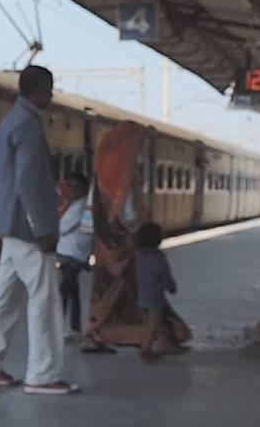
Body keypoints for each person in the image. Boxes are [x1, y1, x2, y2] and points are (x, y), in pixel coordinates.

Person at [0, 65, 78, 395]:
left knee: (4, 299)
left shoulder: (9, 122)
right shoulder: (29, 126)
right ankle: (43, 374)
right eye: (50, 90)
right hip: (28, 229)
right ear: (39, 90)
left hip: (10, 224)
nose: (52, 96)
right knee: (44, 301)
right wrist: (43, 227)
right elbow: (28, 182)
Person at [81, 121, 191, 355]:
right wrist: (141, 231)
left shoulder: (101, 175)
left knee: (105, 295)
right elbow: (128, 213)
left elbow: (90, 216)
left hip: (104, 249)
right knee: (136, 295)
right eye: (135, 145)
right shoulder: (124, 177)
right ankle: (152, 337)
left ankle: (96, 334)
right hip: (126, 249)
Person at [133, 222, 177, 363]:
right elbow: (165, 278)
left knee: (147, 326)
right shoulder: (159, 259)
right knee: (152, 328)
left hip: (140, 297)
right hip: (155, 299)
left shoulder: (138, 255)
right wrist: (172, 288)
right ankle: (146, 351)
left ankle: (150, 347)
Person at [57, 171, 93, 342]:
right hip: (73, 253)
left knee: (63, 292)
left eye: (75, 187)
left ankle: (57, 327)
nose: (70, 191)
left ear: (84, 188)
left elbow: (63, 227)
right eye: (68, 187)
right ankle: (75, 327)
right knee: (72, 291)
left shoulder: (79, 206)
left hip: (73, 254)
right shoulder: (78, 205)